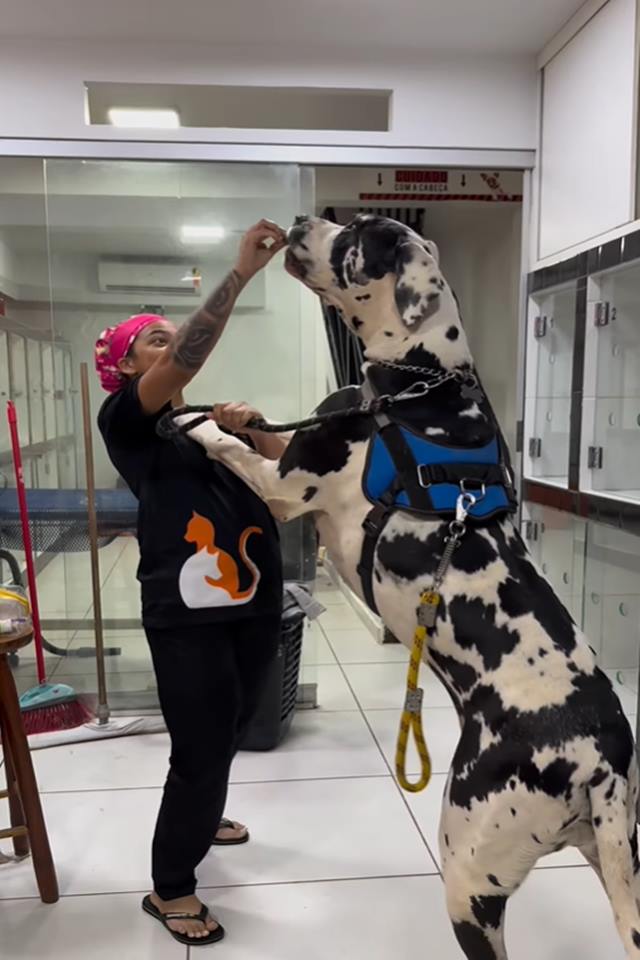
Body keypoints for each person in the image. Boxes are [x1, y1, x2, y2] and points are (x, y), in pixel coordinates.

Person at [96, 220, 289, 946]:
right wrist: (239, 273)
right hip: (189, 613)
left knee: (234, 726)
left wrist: (257, 427)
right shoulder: (128, 422)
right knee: (202, 745)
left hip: (254, 600)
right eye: (155, 340)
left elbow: (290, 473)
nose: (172, 345)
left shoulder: (204, 425)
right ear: (125, 369)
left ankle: (206, 816)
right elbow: (186, 356)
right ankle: (171, 886)